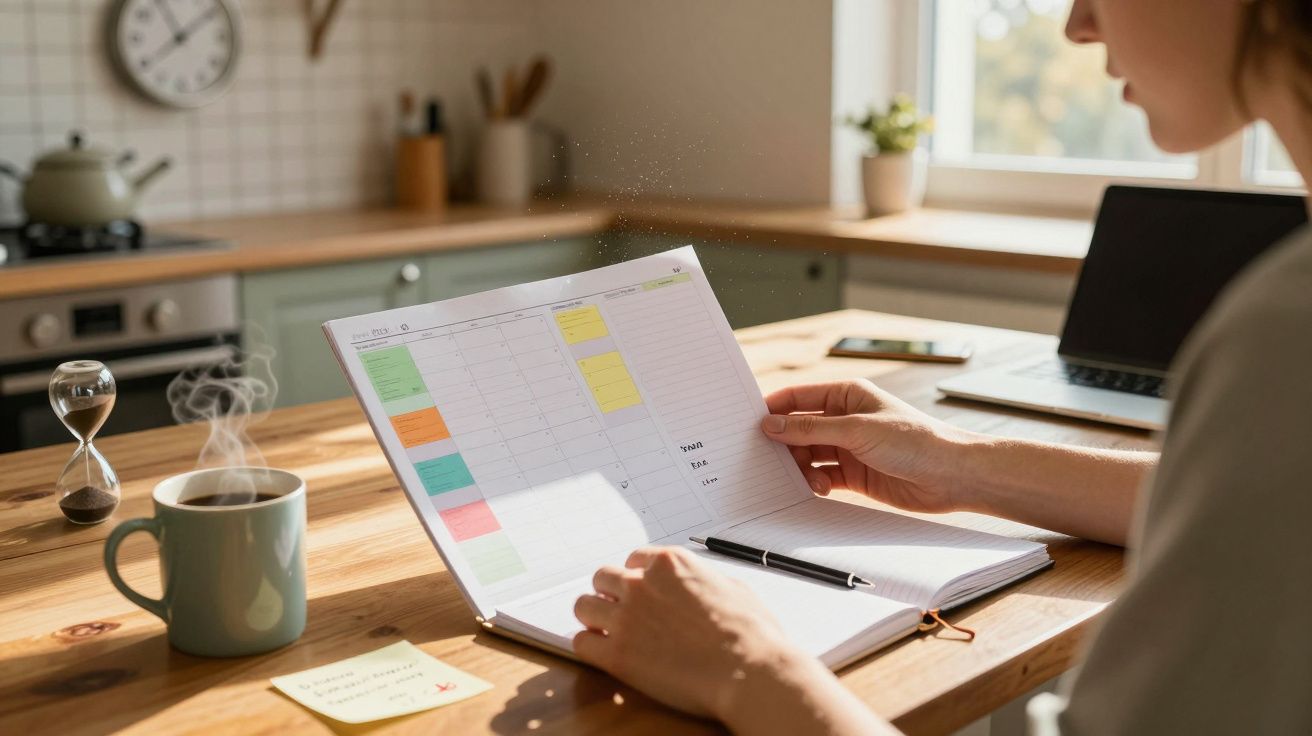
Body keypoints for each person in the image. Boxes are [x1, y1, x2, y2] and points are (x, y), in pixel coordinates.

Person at [569, 1, 1312, 733]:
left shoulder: (1285, 332)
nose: (1078, 25)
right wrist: (956, 464)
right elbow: (1253, 504)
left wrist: (747, 668)